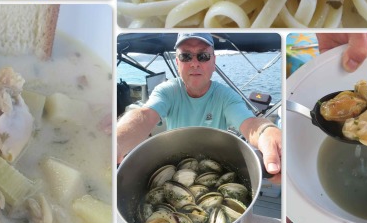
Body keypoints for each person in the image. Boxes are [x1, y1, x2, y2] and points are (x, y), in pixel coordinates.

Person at [116, 32, 282, 177]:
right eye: (186, 56)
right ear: (177, 62)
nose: (194, 63)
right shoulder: (167, 91)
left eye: (203, 56)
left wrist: (267, 131)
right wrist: (117, 140)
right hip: (176, 168)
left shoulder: (225, 96)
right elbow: (144, 116)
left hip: (216, 169)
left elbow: (250, 124)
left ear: (214, 62)